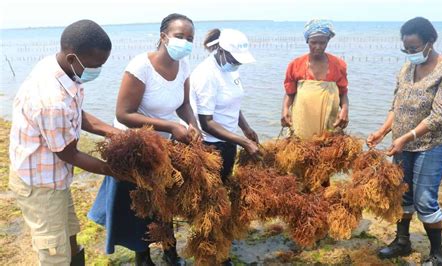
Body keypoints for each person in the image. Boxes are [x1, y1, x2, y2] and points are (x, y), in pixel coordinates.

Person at [88, 13, 199, 266]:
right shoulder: (141, 66)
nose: (186, 42)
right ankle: (143, 257)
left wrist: (192, 124)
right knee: (139, 204)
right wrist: (171, 125)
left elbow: (183, 105)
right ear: (163, 36)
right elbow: (124, 114)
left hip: (161, 145)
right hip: (134, 147)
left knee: (164, 200)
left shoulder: (183, 66)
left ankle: (170, 252)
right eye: (180, 36)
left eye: (190, 38)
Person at [8, 20, 120, 265]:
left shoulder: (58, 67)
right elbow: (69, 154)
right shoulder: (51, 99)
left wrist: (113, 132)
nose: (98, 70)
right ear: (72, 58)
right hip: (40, 183)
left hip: (54, 176)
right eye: (94, 65)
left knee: (70, 234)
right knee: (53, 251)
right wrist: (115, 171)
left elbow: (75, 112)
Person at [367, 17, 442, 266]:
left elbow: (440, 115)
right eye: (406, 49)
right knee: (402, 194)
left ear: (429, 42)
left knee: (424, 199)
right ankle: (402, 242)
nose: (410, 53)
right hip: (402, 143)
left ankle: (437, 256)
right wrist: (381, 132)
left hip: (433, 143)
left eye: (414, 48)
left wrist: (407, 137)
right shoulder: (406, 69)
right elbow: (396, 107)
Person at [188, 28, 259, 265]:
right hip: (210, 148)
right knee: (210, 201)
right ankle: (209, 251)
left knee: (222, 194)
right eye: (234, 59)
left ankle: (219, 239)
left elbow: (232, 103)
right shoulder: (206, 74)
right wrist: (243, 141)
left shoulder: (230, 70)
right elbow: (206, 123)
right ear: (221, 51)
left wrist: (246, 129)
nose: (237, 63)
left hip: (228, 143)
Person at [281, 19, 349, 139]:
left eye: (322, 43)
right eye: (313, 42)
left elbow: (343, 93)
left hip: (329, 122)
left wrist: (344, 109)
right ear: (307, 41)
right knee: (300, 148)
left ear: (328, 41)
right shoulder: (296, 65)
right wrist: (285, 109)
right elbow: (290, 93)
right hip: (302, 121)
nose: (318, 47)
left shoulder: (338, 65)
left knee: (328, 148)